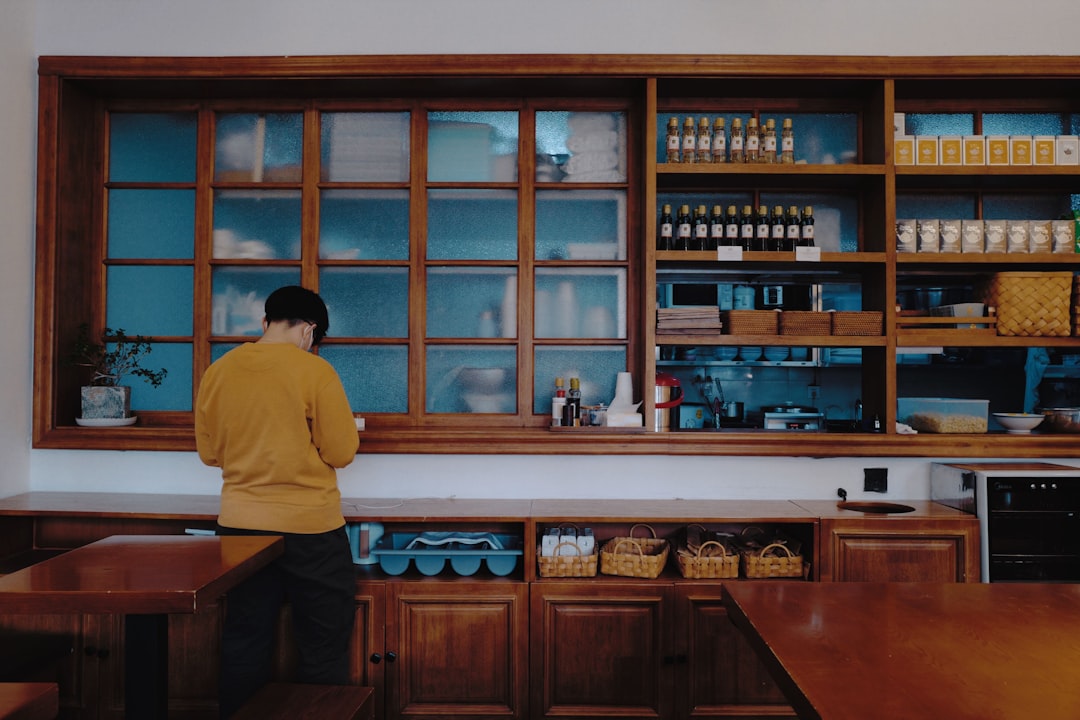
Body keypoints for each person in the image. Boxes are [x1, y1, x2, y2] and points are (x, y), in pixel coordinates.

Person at [194, 285, 360, 718]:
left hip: (239, 526)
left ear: (266, 323)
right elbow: (341, 452)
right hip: (311, 529)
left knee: (246, 635)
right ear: (309, 331)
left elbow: (210, 454)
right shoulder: (315, 372)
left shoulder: (219, 370)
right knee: (322, 642)